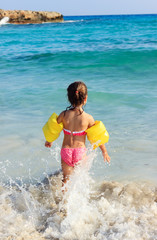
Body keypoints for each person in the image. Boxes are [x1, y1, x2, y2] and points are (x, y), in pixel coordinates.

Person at [43, 81, 110, 185]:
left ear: (69, 98)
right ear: (85, 98)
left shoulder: (64, 115)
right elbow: (97, 136)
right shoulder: (88, 118)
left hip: (66, 151)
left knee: (65, 179)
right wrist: (104, 152)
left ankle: (64, 201)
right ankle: (79, 199)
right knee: (80, 180)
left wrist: (49, 140)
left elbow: (53, 129)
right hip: (80, 152)